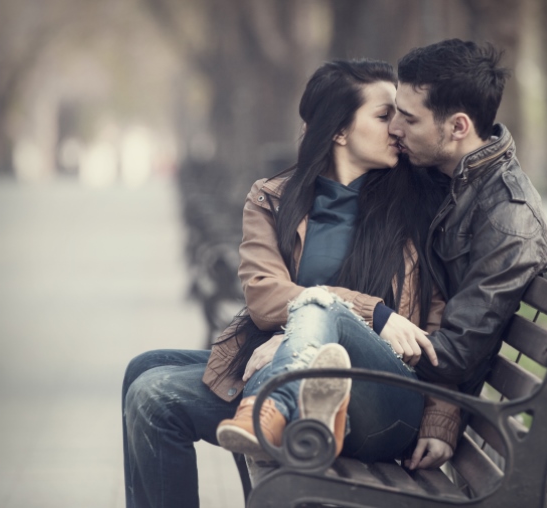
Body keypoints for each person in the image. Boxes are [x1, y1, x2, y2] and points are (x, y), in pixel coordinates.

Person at [122, 59, 458, 508]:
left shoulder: (422, 203)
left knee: (159, 389)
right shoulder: (275, 198)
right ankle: (277, 399)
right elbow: (264, 297)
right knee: (143, 376)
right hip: (305, 386)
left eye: (399, 115)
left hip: (385, 401)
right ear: (339, 131)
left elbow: (446, 326)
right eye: (383, 116)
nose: (397, 127)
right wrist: (363, 315)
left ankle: (268, 404)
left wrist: (441, 421)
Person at [387, 38, 547, 394]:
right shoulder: (441, 176)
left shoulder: (508, 217)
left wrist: (365, 327)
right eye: (394, 112)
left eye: (409, 118)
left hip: (428, 393)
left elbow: (455, 354)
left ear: (458, 127)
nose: (394, 128)